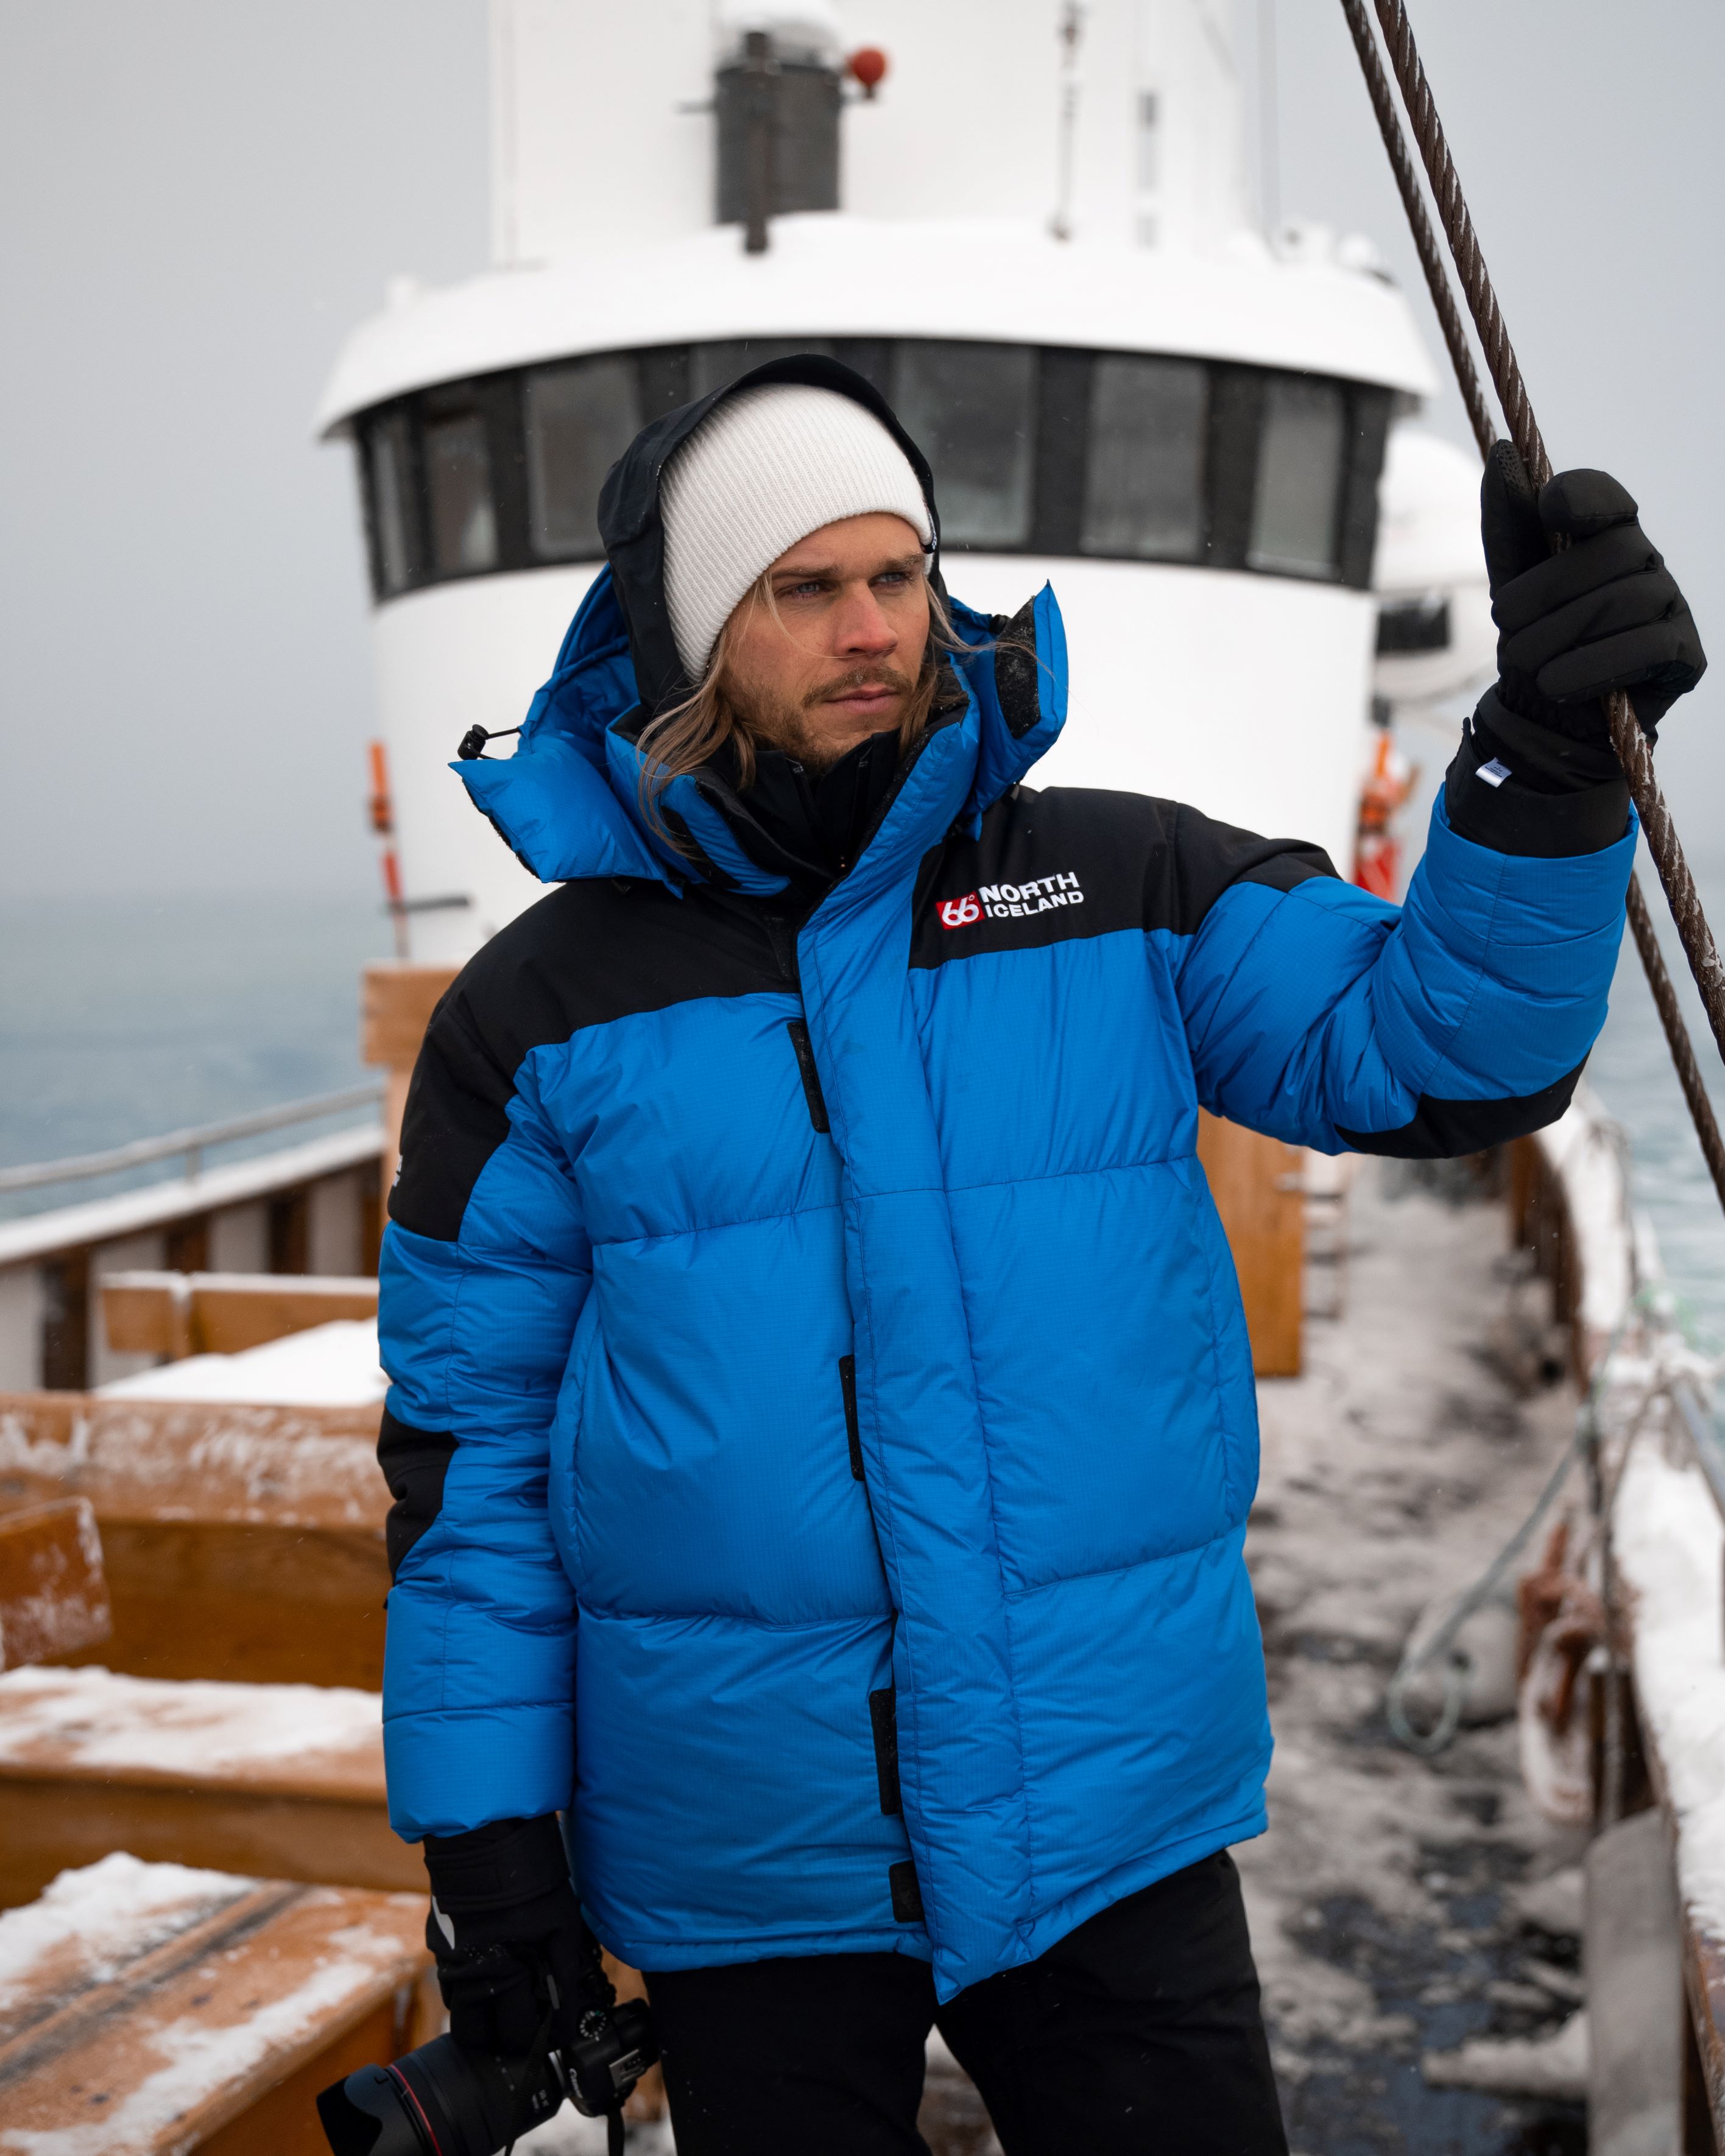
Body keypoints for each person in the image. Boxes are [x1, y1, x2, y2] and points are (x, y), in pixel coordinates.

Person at [375, 355, 1703, 2152]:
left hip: (1106, 1814)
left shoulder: (1128, 888)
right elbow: (474, 1471)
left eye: (899, 575)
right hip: (746, 1854)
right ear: (693, 634)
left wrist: (1539, 759)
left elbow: (1439, 1044)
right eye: (804, 586)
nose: (872, 627)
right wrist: (492, 1841)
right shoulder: (531, 1015)